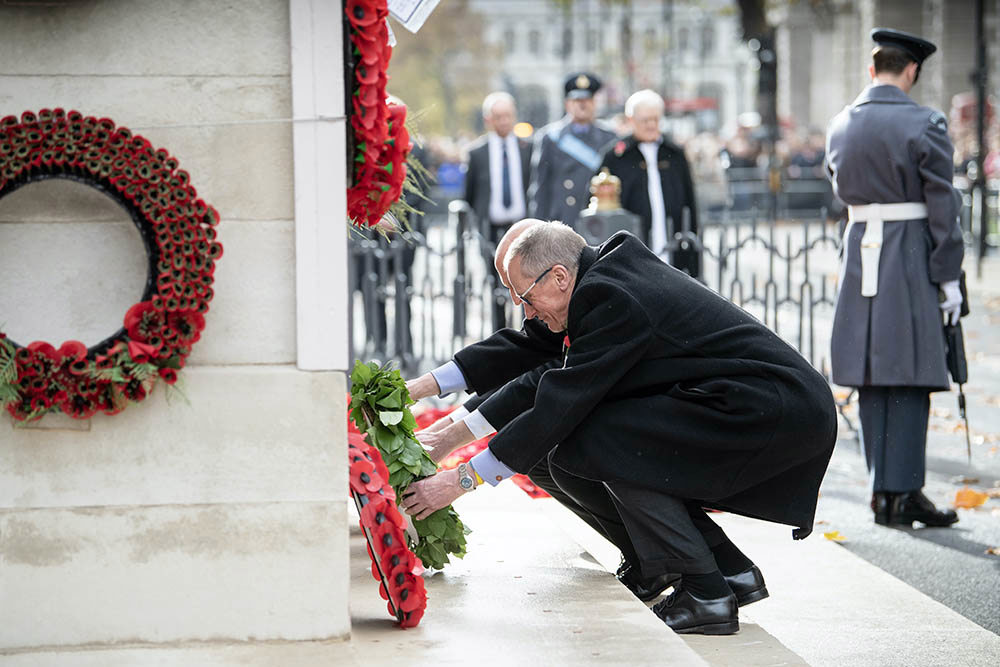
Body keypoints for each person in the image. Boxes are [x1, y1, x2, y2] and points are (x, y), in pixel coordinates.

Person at [402, 222, 837, 635]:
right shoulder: (593, 282)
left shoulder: (610, 296)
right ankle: (721, 569)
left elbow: (559, 400)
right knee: (558, 449)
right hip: (744, 403)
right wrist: (422, 387)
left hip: (770, 410)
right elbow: (528, 350)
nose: (525, 311)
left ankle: (705, 593)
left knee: (600, 440)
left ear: (557, 276)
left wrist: (457, 482)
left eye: (525, 297)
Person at [825, 28, 965, 528]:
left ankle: (881, 489)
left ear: (872, 69)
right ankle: (903, 492)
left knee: (872, 376)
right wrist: (949, 275)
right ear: (911, 71)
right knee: (907, 374)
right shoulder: (925, 121)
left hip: (862, 251)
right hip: (907, 251)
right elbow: (944, 205)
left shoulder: (841, 123)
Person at [598, 89, 700, 278]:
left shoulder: (675, 154)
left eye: (656, 119)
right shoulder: (616, 157)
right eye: (645, 120)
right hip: (632, 250)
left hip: (673, 243)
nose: (652, 125)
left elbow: (690, 204)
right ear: (631, 120)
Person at [464, 92, 533, 331]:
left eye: (507, 116)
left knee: (528, 280)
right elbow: (469, 195)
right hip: (491, 228)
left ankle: (527, 330)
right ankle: (500, 331)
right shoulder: (477, 153)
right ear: (488, 120)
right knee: (496, 284)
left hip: (523, 226)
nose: (503, 121)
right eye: (498, 117)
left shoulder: (528, 149)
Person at [528, 72, 616, 230]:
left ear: (594, 103)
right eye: (577, 100)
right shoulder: (550, 138)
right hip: (561, 221)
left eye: (587, 100)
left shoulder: (609, 138)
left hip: (598, 221)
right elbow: (540, 188)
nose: (582, 105)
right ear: (567, 104)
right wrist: (539, 228)